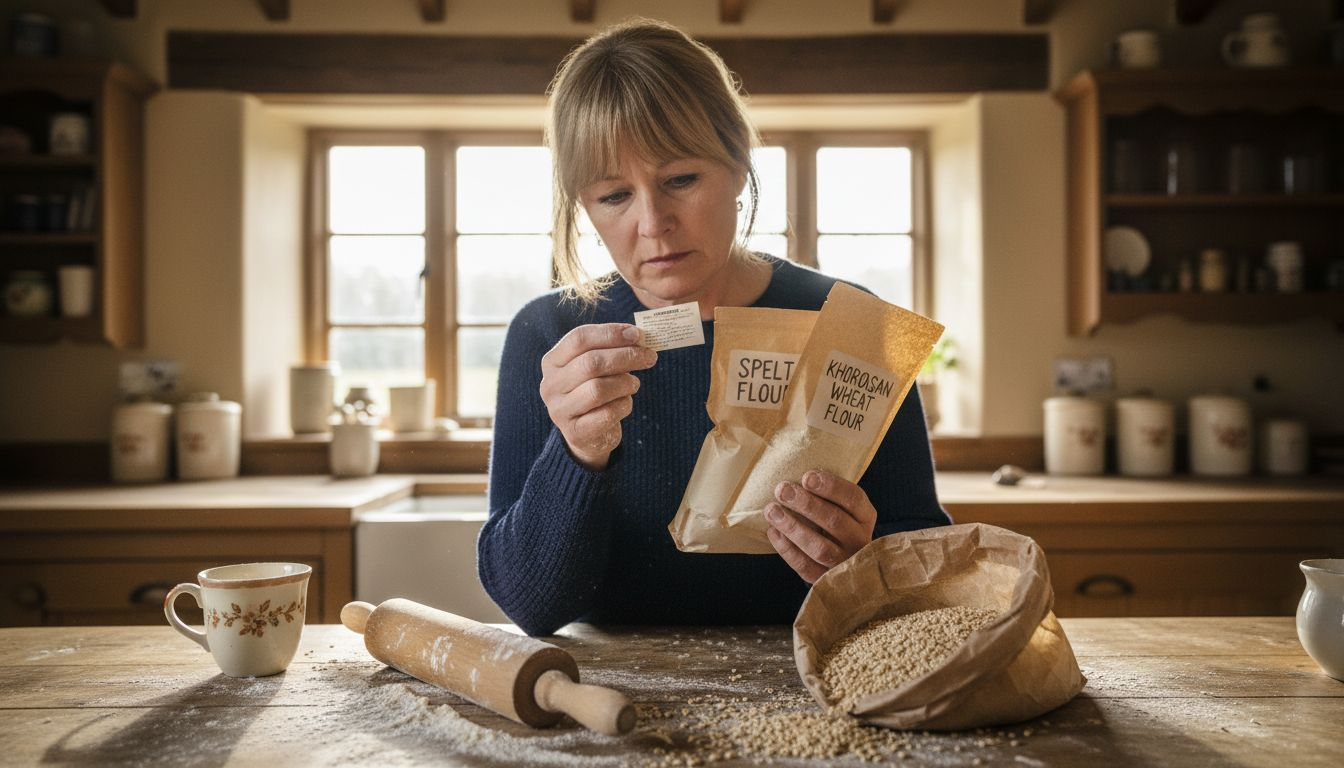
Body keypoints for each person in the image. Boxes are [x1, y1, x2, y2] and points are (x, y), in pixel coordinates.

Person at [477, 18, 949, 636]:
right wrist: (577, 453)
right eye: (614, 196)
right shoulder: (551, 335)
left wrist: (862, 562)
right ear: (582, 207)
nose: (653, 223)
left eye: (680, 180)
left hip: (813, 687)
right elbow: (528, 605)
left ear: (738, 163)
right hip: (612, 700)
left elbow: (926, 579)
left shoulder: (848, 322)